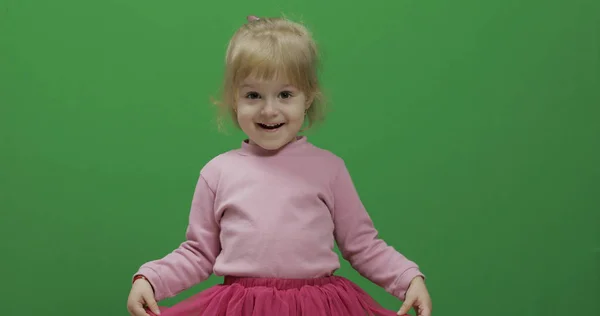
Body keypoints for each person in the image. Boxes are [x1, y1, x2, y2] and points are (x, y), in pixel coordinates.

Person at [126, 15, 432, 316]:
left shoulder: (329, 169)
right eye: (253, 95)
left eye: (285, 94)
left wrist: (408, 278)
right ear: (235, 99)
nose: (269, 110)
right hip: (242, 308)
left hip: (318, 307)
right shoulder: (217, 173)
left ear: (308, 96)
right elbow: (198, 253)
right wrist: (151, 279)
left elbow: (363, 245)